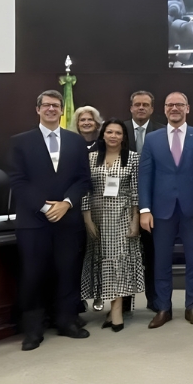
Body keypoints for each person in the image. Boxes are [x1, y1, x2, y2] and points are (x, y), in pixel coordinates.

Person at [9, 90, 92, 350]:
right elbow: (17, 181)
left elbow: (83, 180)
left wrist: (66, 204)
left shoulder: (76, 142)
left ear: (61, 110)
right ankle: (33, 330)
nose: (51, 109)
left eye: (56, 106)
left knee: (68, 272)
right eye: (46, 105)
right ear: (38, 109)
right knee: (33, 275)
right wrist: (46, 207)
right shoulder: (19, 142)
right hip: (34, 222)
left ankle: (66, 321)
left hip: (68, 221)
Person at [138, 92, 193, 329]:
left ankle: (192, 306)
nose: (174, 108)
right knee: (161, 262)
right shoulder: (152, 139)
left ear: (187, 108)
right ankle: (163, 308)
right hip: (160, 211)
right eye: (170, 104)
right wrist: (144, 209)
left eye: (179, 105)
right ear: (164, 108)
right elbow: (145, 177)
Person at [80, 119, 144, 333]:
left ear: (124, 137)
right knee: (102, 262)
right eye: (110, 132)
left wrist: (135, 220)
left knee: (118, 263)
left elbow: (136, 193)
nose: (114, 136)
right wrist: (87, 219)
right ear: (103, 134)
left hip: (122, 216)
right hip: (97, 217)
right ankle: (110, 308)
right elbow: (85, 191)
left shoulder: (133, 159)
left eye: (118, 132)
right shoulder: (90, 159)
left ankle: (117, 312)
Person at [124, 91, 164, 311]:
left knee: (153, 254)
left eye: (145, 105)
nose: (141, 108)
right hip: (123, 202)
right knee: (125, 255)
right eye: (137, 104)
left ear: (151, 108)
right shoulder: (118, 130)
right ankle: (125, 302)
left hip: (154, 201)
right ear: (130, 107)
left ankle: (154, 299)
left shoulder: (161, 131)